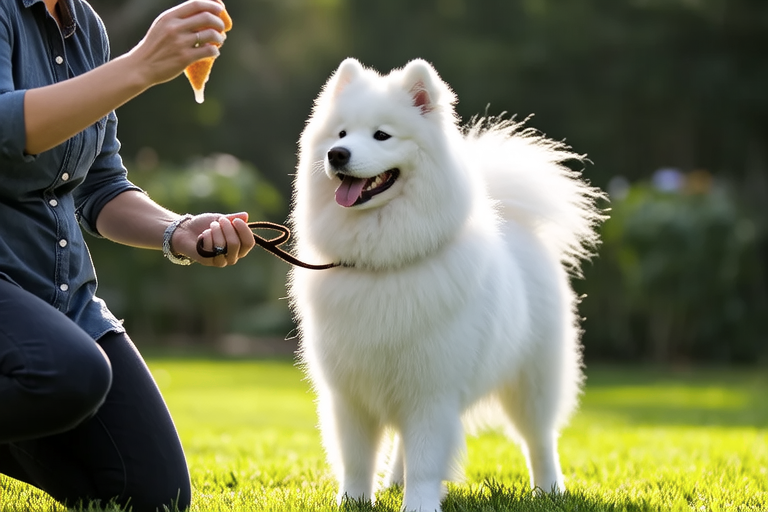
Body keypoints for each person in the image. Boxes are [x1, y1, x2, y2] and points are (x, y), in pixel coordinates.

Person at [0, 0, 257, 510]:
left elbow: (100, 185)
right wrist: (141, 65)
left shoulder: (85, 29)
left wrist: (178, 230)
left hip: (58, 298)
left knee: (157, 495)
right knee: (70, 374)